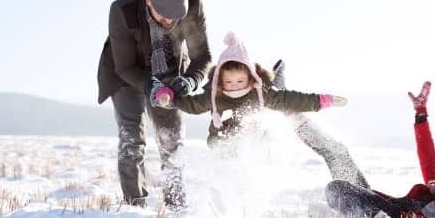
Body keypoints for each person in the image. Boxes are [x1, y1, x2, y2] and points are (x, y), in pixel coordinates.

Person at [150, 32, 369, 188]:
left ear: (250, 78)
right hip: (222, 144)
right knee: (227, 171)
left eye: (239, 81)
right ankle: (225, 195)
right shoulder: (214, 95)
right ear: (220, 81)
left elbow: (292, 99)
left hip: (252, 141)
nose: (234, 86)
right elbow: (192, 104)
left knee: (261, 144)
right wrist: (170, 99)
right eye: (229, 82)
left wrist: (322, 101)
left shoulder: (261, 93)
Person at [96, 0, 211, 210]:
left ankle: (176, 207)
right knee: (131, 138)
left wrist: (190, 80)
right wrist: (150, 85)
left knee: (172, 140)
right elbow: (125, 66)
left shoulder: (192, 4)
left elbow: (203, 56)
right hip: (126, 76)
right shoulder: (122, 10)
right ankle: (134, 206)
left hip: (169, 71)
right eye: (165, 16)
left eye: (176, 17)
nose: (171, 22)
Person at [325, 81, 435, 218]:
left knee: (339, 188)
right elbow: (427, 158)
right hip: (394, 205)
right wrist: (421, 114)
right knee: (339, 174)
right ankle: (308, 130)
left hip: (398, 214)